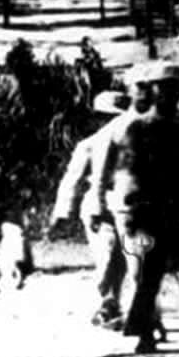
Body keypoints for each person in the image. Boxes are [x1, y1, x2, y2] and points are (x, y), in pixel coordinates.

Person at [89, 63, 179, 355]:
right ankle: (145, 330)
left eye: (175, 88)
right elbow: (128, 170)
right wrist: (131, 208)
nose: (169, 94)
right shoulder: (137, 128)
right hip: (147, 211)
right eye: (162, 87)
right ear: (153, 90)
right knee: (146, 274)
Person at [49, 89, 133, 330]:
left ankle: (127, 306)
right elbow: (72, 179)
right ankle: (108, 302)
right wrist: (62, 213)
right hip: (99, 208)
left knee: (129, 258)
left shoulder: (134, 144)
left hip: (128, 206)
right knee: (107, 254)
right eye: (105, 117)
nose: (110, 122)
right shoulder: (89, 145)